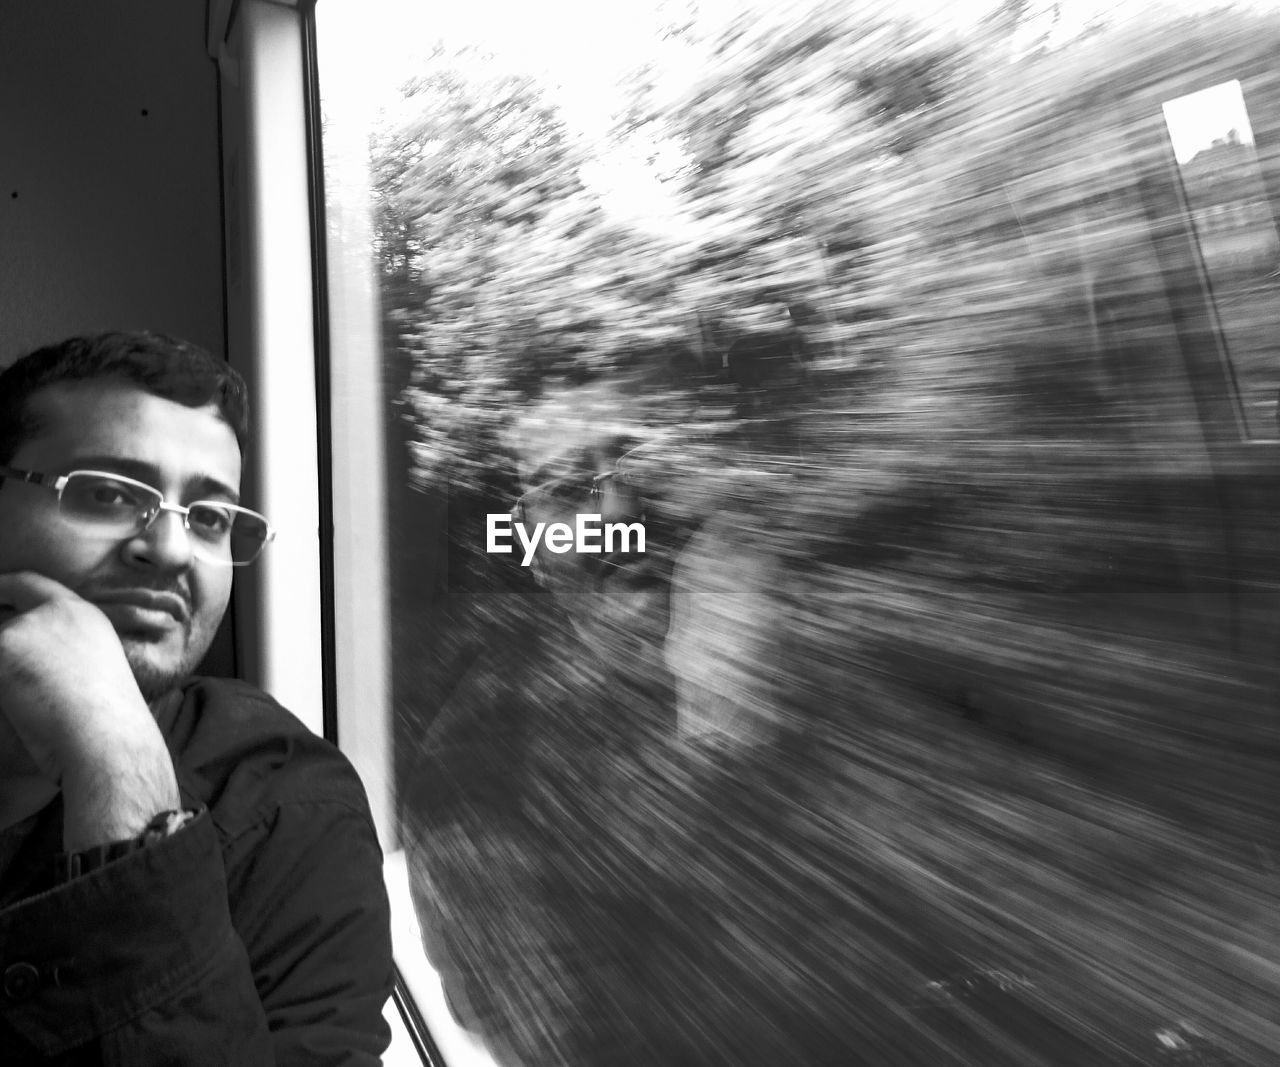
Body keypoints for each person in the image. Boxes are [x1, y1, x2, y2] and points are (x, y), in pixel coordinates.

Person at [0, 332, 394, 1064]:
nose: (174, 550)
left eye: (209, 517)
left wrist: (116, 761)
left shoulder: (288, 813)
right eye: (110, 494)